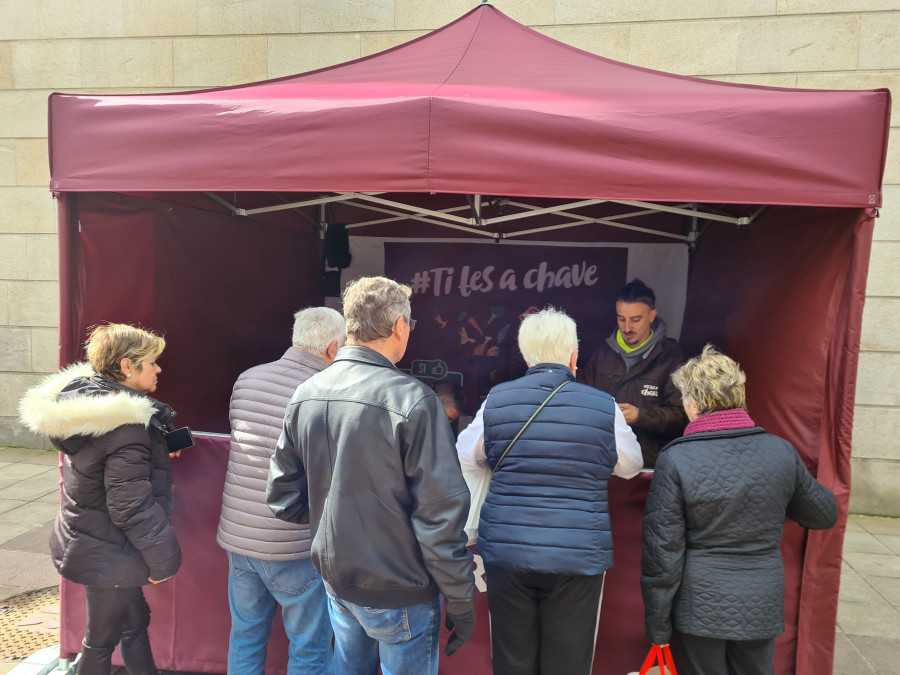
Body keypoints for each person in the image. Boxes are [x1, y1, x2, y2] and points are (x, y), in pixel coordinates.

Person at [267, 276, 477, 675]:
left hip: (339, 581)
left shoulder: (308, 391)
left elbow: (282, 497)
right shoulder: (413, 400)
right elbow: (440, 514)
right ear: (400, 326)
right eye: (410, 326)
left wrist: (337, 527)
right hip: (400, 590)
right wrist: (461, 597)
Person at [456, 307, 643, 675]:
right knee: (568, 662)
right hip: (578, 553)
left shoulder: (497, 400)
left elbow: (465, 456)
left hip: (507, 548)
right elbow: (631, 466)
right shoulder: (604, 406)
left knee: (512, 658)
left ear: (526, 357)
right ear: (575, 356)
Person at [641, 345, 838, 675]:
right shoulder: (780, 452)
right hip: (760, 602)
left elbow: (663, 555)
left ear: (691, 404)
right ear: (739, 397)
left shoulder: (676, 459)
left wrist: (658, 628)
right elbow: (823, 514)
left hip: (700, 606)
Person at [19, 324, 182, 675]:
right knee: (100, 642)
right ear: (127, 366)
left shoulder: (90, 408)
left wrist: (154, 450)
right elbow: (130, 505)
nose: (158, 369)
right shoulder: (126, 428)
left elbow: (103, 466)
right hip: (108, 550)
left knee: (134, 622)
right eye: (153, 362)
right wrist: (163, 561)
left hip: (95, 543)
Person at [217, 307, 345, 674]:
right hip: (292, 543)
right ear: (334, 347)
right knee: (310, 645)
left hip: (239, 539)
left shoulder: (248, 379)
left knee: (245, 636)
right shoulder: (327, 392)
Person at [578, 278, 688, 468]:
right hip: (601, 465)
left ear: (652, 316)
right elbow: (580, 404)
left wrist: (641, 416)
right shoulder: (601, 355)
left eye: (635, 320)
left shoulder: (673, 359)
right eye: (621, 319)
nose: (627, 328)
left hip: (650, 469)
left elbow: (684, 418)